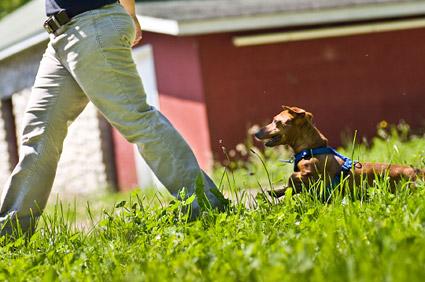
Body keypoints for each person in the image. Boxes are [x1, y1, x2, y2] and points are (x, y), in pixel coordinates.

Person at [0, 0, 227, 235]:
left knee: (137, 120)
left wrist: (129, 14)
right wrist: (129, 14)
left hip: (91, 25)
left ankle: (208, 205)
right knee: (39, 135)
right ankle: (9, 234)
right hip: (61, 36)